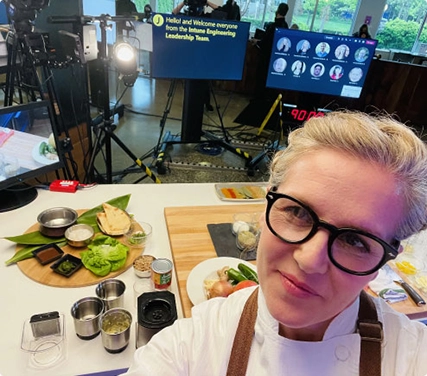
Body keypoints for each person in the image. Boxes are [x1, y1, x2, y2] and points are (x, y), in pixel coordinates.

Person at [121, 111, 427, 375]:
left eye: (354, 240)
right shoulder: (196, 342)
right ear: (266, 202)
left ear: (386, 259)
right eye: (297, 211)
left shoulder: (413, 359)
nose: (309, 259)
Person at [254, 3, 289, 97]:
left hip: (266, 59)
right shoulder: (285, 26)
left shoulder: (272, 27)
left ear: (277, 11)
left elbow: (265, 43)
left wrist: (257, 42)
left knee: (261, 82)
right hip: (277, 61)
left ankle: (257, 100)